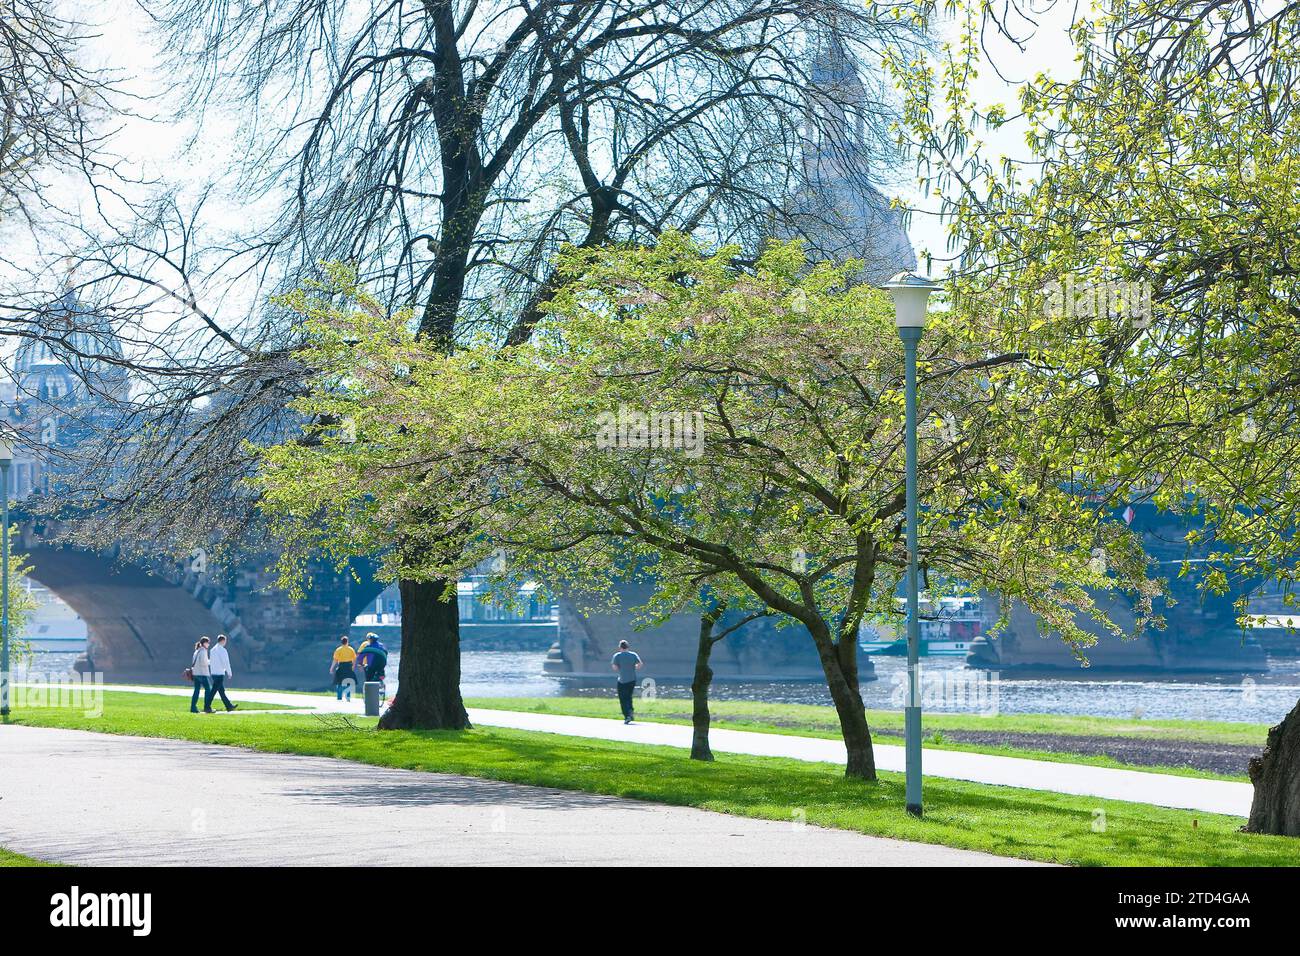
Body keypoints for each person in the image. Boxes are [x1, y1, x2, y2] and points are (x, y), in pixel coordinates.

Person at [610, 639, 642, 724]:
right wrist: (634, 668)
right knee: (629, 697)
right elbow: (640, 664)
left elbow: (615, 667)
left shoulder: (617, 656)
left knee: (623, 698)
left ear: (620, 647)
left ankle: (627, 715)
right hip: (632, 679)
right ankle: (630, 712)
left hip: (622, 680)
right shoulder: (633, 655)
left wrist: (621, 667)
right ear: (628, 647)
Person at [205, 634, 238, 712]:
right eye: (225, 641)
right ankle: (207, 706)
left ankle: (229, 706)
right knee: (213, 691)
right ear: (223, 641)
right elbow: (226, 662)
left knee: (221, 691)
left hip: (213, 673)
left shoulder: (212, 650)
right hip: (220, 673)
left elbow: (211, 662)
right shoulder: (223, 650)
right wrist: (229, 672)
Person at [331, 635, 357, 701]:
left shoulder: (338, 649)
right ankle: (348, 697)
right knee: (348, 682)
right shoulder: (351, 649)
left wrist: (332, 668)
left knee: (339, 682)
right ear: (347, 641)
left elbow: (335, 660)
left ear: (341, 642)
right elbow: (354, 659)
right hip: (348, 666)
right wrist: (353, 667)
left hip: (341, 666)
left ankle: (339, 698)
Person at [190, 637, 212, 713]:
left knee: (196, 691)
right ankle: (207, 707)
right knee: (208, 690)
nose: (209, 644)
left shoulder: (197, 651)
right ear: (205, 643)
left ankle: (193, 707)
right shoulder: (203, 651)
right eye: (208, 643)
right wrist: (210, 662)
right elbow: (204, 663)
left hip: (196, 673)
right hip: (202, 674)